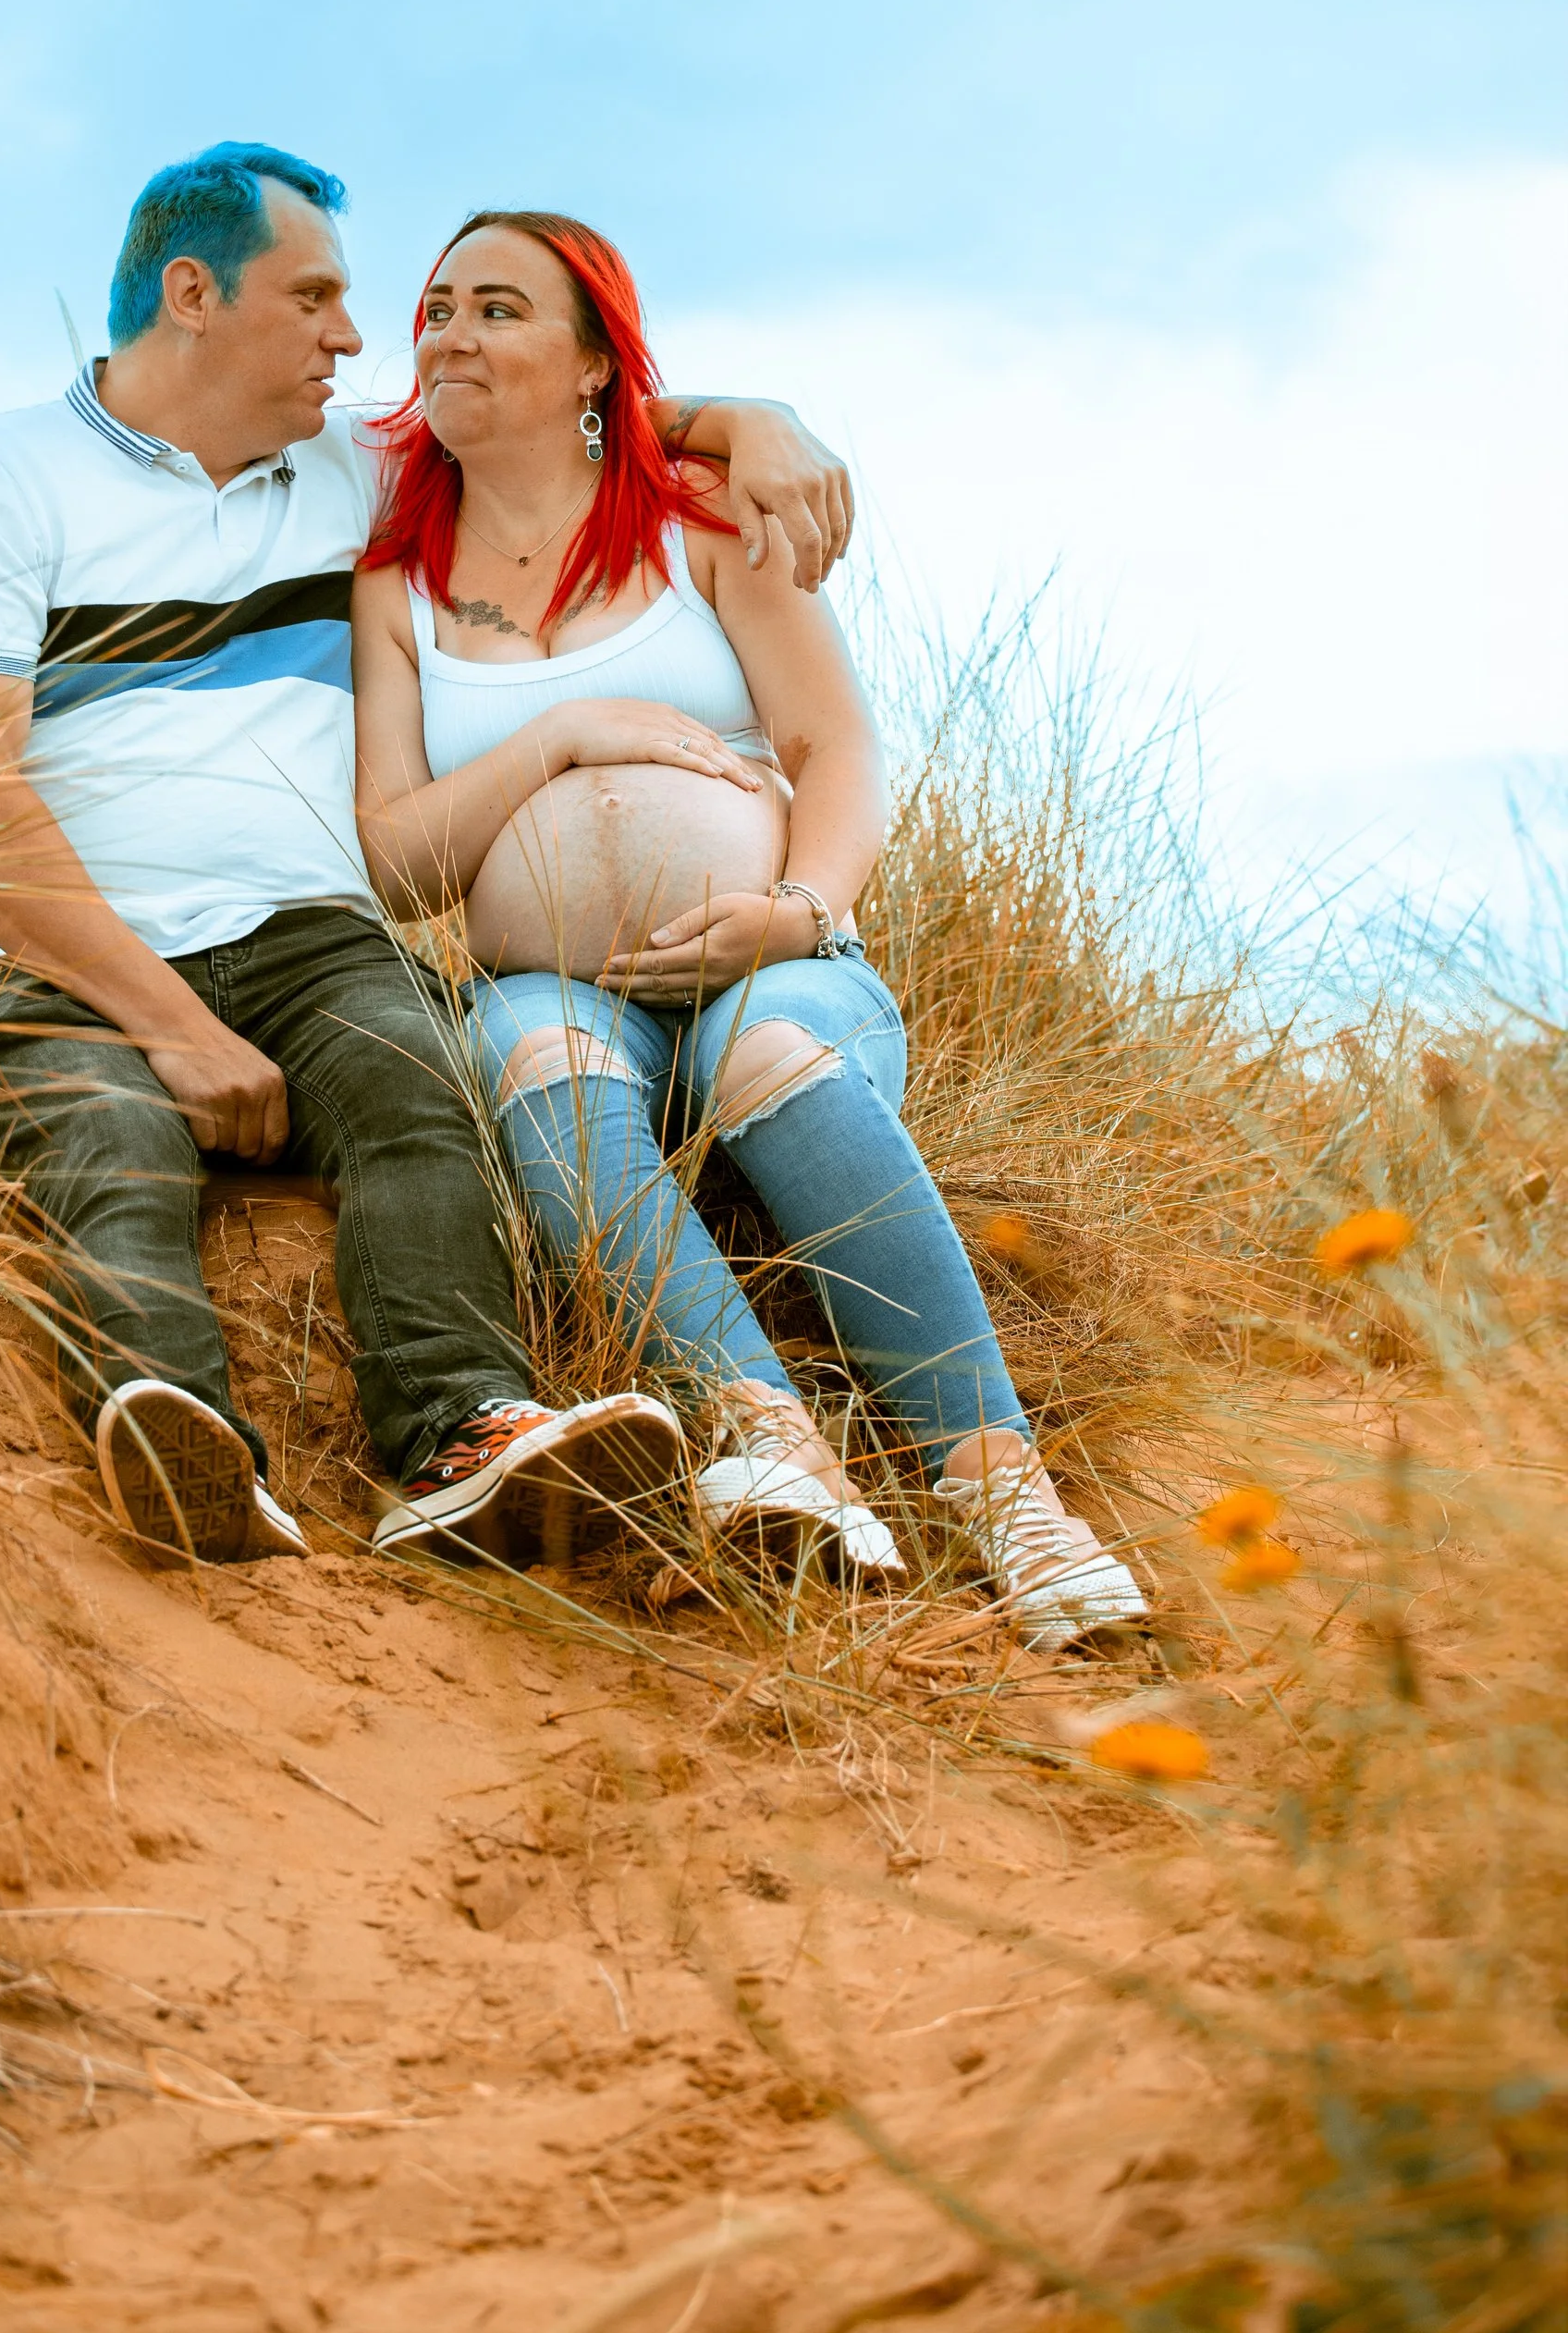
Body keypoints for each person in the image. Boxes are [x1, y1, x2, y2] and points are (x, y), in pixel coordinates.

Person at [0, 141, 855, 1575]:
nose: (356, 334)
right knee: (110, 1137)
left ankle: (464, 1434)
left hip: (303, 928)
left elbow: (544, 409)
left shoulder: (351, 470)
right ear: (193, 294)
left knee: (416, 1096)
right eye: (317, 295)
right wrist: (174, 1030)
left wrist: (744, 419)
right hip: (45, 947)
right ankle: (181, 1437)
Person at [350, 209, 1151, 1650]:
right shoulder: (392, 571)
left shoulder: (705, 519)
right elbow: (399, 858)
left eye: (498, 309)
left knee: (767, 1050)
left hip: (776, 957)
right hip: (553, 979)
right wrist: (560, 740)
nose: (450, 335)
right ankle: (769, 1440)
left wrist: (796, 911)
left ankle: (1008, 1499)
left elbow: (834, 751)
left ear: (595, 360)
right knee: (526, 1058)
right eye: (436, 307)